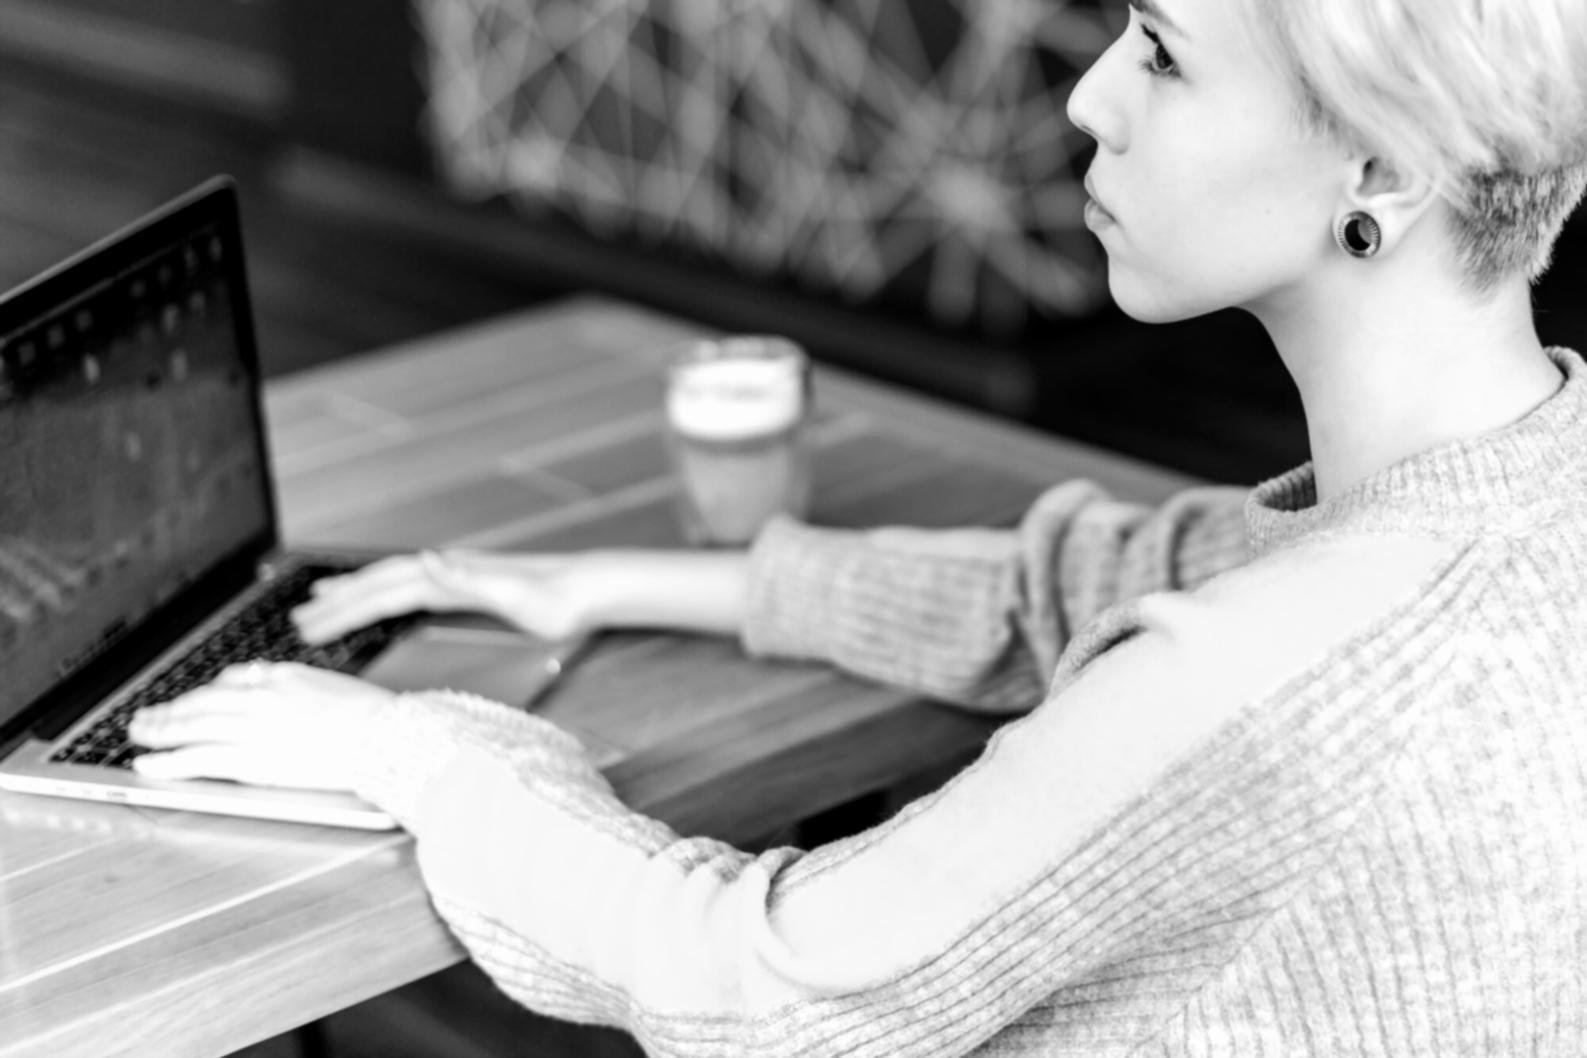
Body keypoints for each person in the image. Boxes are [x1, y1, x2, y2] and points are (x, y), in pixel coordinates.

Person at [131, 0, 1587, 1051]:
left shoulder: (1267, 685)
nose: (1089, 97)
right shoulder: (1524, 486)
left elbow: (765, 989)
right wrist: (606, 578)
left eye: (1159, 46)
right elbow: (1094, 579)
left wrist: (427, 752)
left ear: (1382, 172)